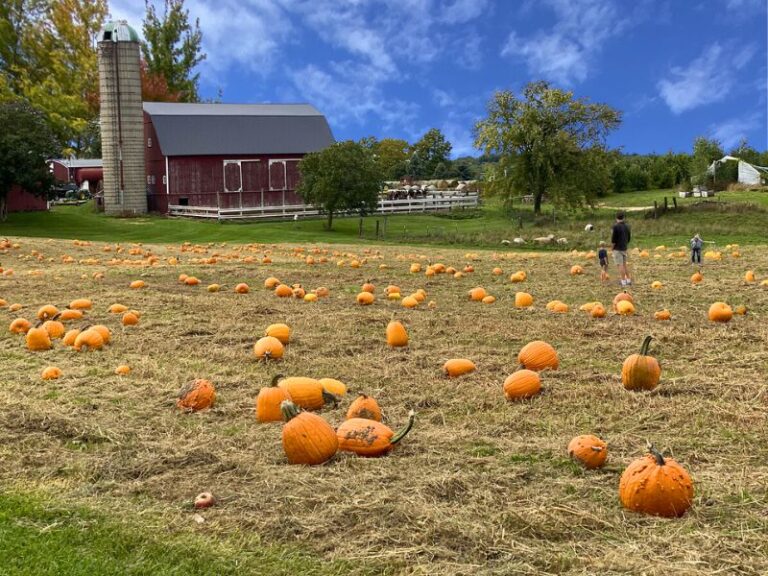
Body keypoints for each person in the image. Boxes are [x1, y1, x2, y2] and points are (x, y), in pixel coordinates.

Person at [611, 211, 632, 286]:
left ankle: (623, 281)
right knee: (624, 265)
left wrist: (612, 248)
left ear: (616, 218)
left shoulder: (615, 227)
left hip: (617, 249)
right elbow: (629, 238)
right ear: (624, 218)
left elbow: (613, 239)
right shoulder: (627, 226)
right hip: (624, 248)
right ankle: (628, 280)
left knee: (620, 265)